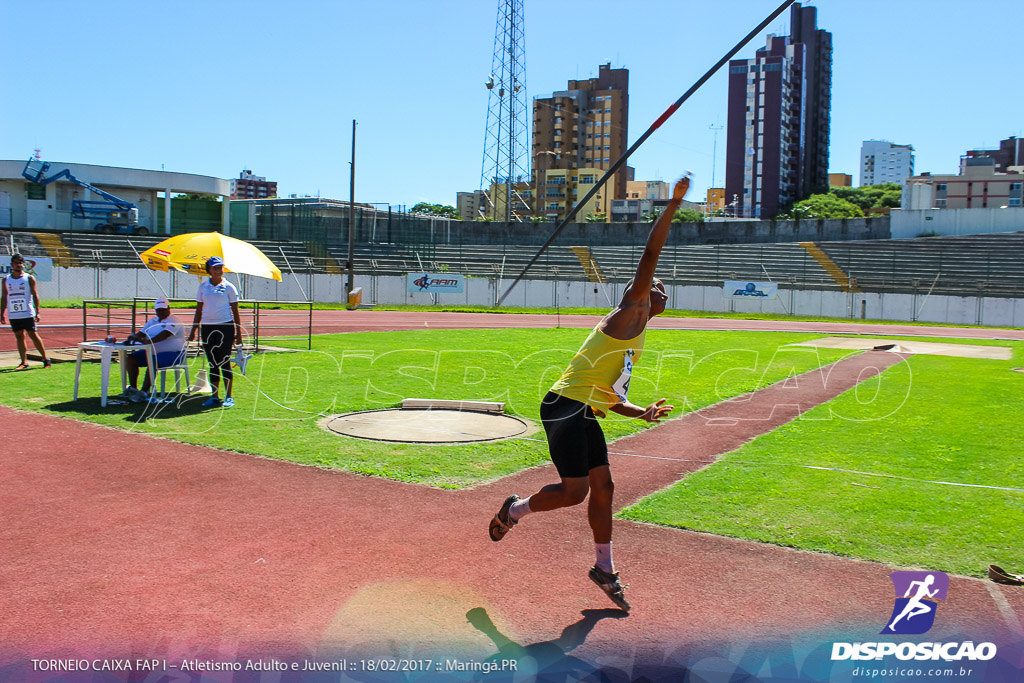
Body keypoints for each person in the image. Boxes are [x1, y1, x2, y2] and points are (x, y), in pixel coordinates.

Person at [488, 174, 691, 611]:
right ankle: (515, 509)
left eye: (659, 289)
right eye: (653, 287)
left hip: (582, 408)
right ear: (637, 296)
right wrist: (673, 205)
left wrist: (642, 413)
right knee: (576, 491)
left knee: (604, 487)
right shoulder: (629, 313)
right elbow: (650, 256)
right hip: (565, 406)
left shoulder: (635, 336)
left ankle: (604, 567)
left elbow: (610, 396)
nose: (659, 289)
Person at [187, 257, 242, 408]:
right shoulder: (203, 287)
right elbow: (198, 311)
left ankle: (229, 396)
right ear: (209, 270)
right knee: (213, 363)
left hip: (225, 327)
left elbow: (235, 312)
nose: (218, 270)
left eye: (220, 267)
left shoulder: (229, 287)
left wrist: (239, 333)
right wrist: (193, 330)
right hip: (207, 327)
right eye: (215, 267)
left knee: (225, 361)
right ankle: (214, 396)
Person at [116, 297, 186, 402]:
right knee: (131, 359)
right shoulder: (152, 321)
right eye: (159, 310)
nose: (161, 312)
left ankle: (144, 392)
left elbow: (165, 334)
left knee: (153, 361)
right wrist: (134, 337)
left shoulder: (174, 320)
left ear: (169, 308)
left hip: (174, 354)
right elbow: (142, 332)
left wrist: (149, 341)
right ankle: (134, 389)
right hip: (152, 352)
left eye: (163, 309)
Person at [1, 254, 51, 370]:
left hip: (27, 312)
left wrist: (37, 311)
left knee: (33, 334)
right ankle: (23, 362)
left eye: (20, 263)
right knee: (19, 336)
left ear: (23, 264)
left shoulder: (29, 278)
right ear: (12, 264)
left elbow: (35, 295)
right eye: (16, 263)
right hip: (14, 313)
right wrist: (2, 313)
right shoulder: (6, 279)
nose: (18, 265)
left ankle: (45, 359)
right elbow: (4, 297)